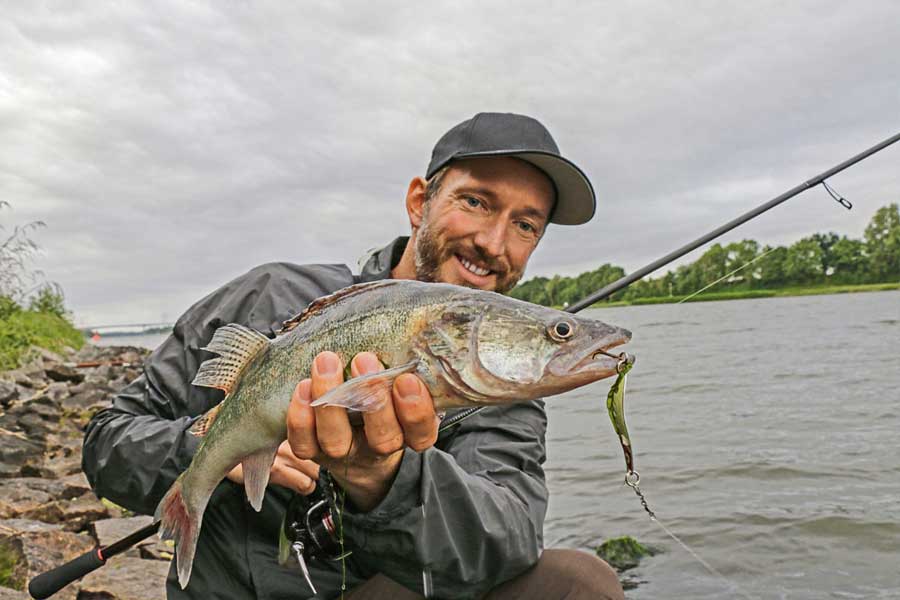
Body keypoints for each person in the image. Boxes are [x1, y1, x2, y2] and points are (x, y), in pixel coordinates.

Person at [83, 112, 625, 600]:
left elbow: (506, 540)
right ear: (420, 202)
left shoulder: (508, 393)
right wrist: (209, 450)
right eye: (476, 201)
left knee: (581, 586)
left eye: (526, 224)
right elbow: (107, 439)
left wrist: (383, 478)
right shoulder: (266, 297)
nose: (493, 241)